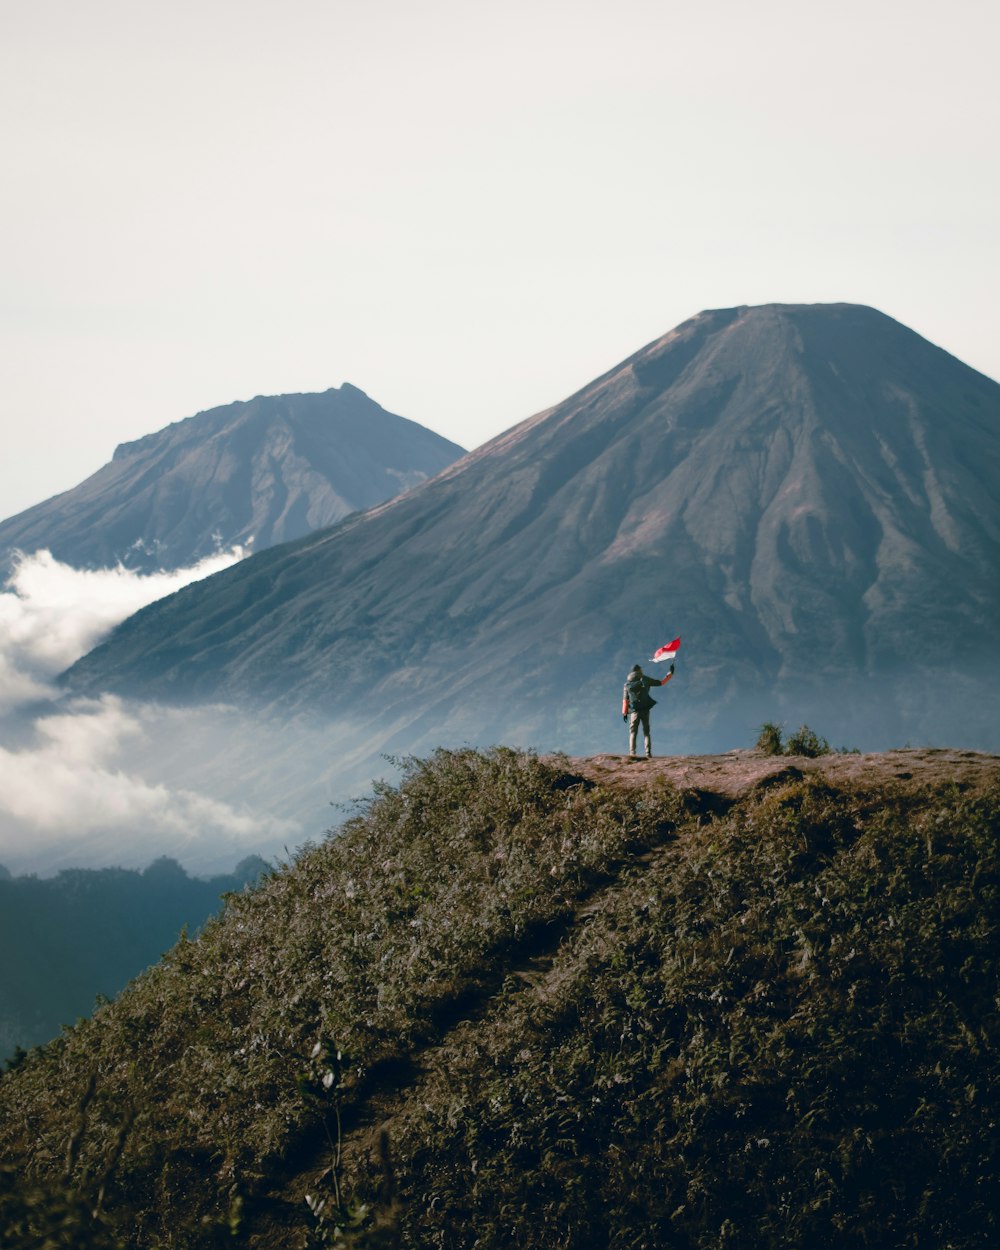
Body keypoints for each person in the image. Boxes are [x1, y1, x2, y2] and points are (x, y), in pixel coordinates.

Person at [622, 662, 674, 758]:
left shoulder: (627, 684)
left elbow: (625, 700)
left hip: (634, 711)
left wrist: (624, 713)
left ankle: (632, 753)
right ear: (639, 670)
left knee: (633, 732)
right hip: (645, 709)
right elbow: (661, 683)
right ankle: (648, 753)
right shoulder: (645, 679)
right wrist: (670, 674)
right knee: (646, 732)